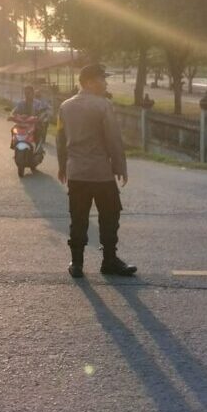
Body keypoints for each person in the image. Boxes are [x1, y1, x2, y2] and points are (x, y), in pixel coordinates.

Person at [56, 64, 137, 278]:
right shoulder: (103, 105)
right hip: (100, 173)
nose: (106, 83)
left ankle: (77, 263)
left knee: (78, 216)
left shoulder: (65, 106)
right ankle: (109, 260)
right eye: (103, 79)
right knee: (109, 216)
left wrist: (62, 166)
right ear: (90, 82)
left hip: (76, 173)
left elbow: (60, 138)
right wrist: (120, 167)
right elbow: (113, 139)